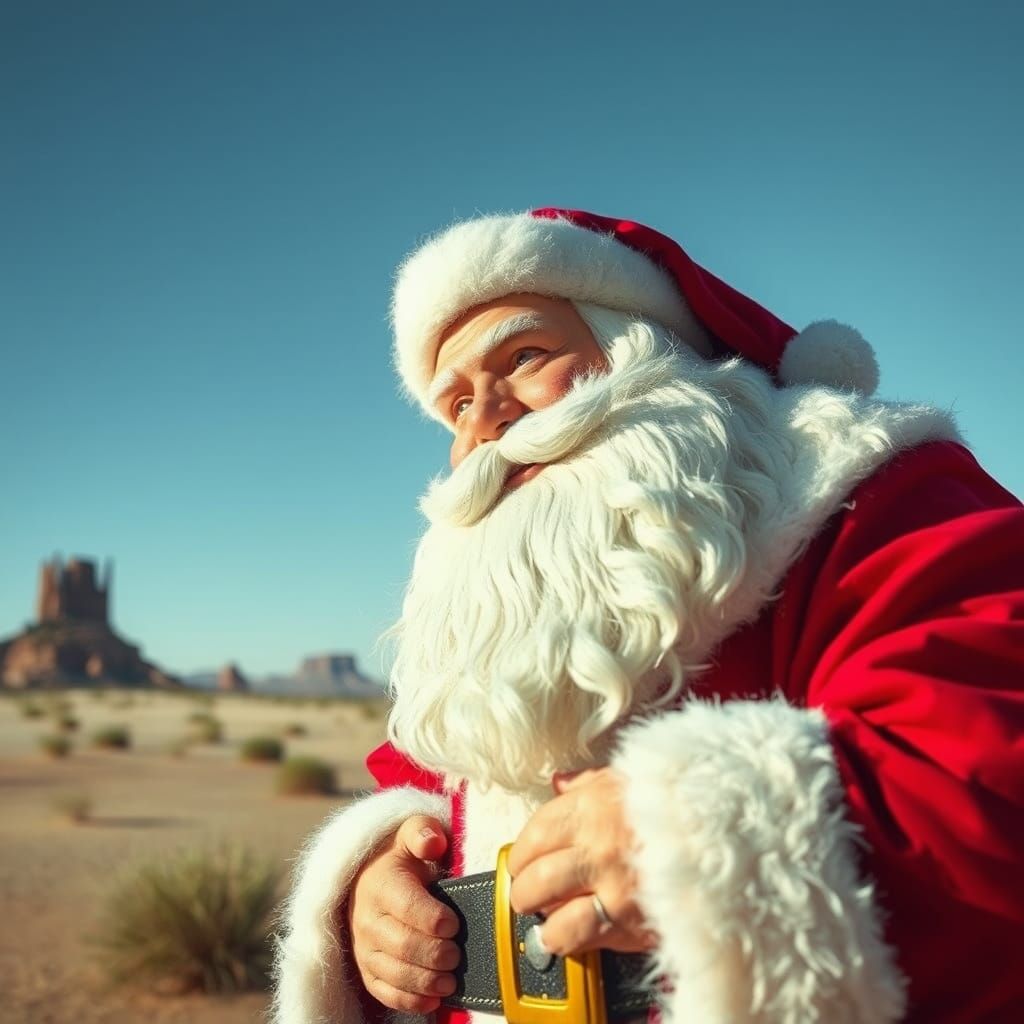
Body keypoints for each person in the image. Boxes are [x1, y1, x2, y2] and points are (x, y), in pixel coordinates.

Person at [271, 209, 1024, 1024]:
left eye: (524, 357)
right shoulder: (498, 594)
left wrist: (710, 837)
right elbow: (429, 783)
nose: (484, 419)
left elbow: (990, 758)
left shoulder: (871, 493)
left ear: (639, 345)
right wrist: (385, 885)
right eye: (455, 405)